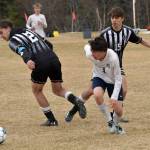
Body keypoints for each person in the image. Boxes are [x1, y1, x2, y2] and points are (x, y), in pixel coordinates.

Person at [65, 7, 150, 123]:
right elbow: (94, 47)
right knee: (90, 91)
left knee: (123, 90)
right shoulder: (105, 34)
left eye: (117, 18)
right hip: (102, 67)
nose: (114, 20)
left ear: (122, 19)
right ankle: (72, 111)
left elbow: (140, 40)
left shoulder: (127, 32)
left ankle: (116, 114)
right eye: (112, 18)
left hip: (117, 66)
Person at [0, 20, 86, 126]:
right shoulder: (28, 30)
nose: (1, 36)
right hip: (53, 58)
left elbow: (21, 49)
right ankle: (76, 100)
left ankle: (51, 120)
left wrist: (28, 60)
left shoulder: (13, 40)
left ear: (8, 28)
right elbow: (48, 43)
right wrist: (47, 56)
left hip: (40, 62)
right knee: (58, 90)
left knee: (37, 91)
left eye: (1, 32)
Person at [81, 37, 125, 134]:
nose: (92, 55)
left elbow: (118, 79)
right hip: (99, 77)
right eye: (92, 51)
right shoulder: (90, 54)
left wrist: (113, 97)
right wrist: (91, 44)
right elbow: (86, 46)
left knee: (119, 111)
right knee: (97, 94)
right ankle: (109, 121)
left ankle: (116, 125)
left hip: (113, 81)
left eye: (95, 52)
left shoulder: (113, 58)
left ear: (103, 52)